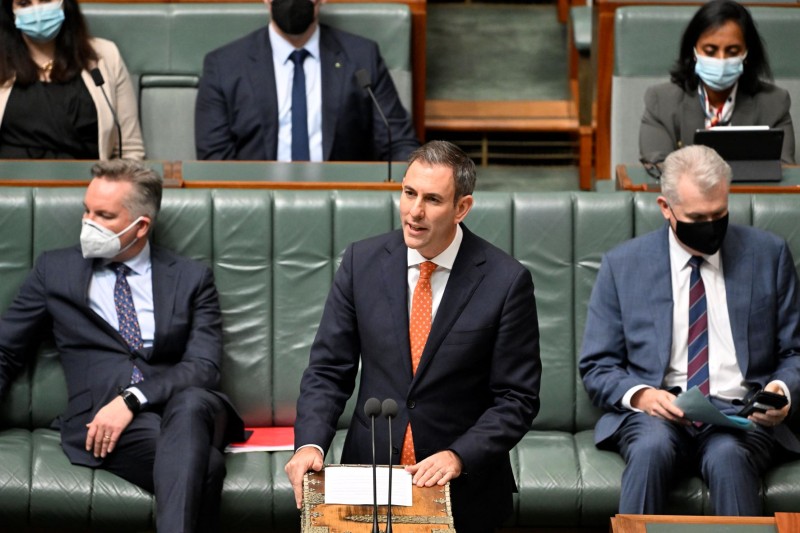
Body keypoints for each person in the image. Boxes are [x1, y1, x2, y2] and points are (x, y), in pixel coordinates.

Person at [284, 140, 541, 532]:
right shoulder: (361, 263)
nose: (414, 212)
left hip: (463, 489)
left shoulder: (506, 281)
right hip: (367, 479)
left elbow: (517, 398)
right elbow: (328, 370)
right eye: (408, 193)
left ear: (462, 208)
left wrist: (458, 455)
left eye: (433, 200)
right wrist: (309, 444)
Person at [0, 160, 243, 532]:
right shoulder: (55, 271)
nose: (87, 222)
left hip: (188, 405)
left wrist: (132, 398)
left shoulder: (192, 278)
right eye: (86, 209)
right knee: (205, 467)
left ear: (140, 226)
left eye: (103, 214)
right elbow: (6, 350)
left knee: (192, 401)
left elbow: (204, 366)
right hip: (105, 423)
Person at [580, 144, 800, 516]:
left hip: (740, 414)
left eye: (720, 214)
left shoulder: (769, 255)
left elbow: (794, 351)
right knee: (650, 449)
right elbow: (597, 365)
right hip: (658, 414)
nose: (711, 227)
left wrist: (780, 391)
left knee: (728, 455)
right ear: (666, 208)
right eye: (698, 217)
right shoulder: (624, 265)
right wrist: (643, 396)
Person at [194, 0, 419, 162]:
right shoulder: (224, 65)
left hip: (341, 199)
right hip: (254, 202)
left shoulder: (362, 57)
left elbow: (398, 143)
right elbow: (214, 157)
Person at [639, 0, 795, 165]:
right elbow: (656, 166)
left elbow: (784, 171)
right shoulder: (661, 101)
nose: (721, 60)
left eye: (732, 51)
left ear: (746, 54)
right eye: (710, 51)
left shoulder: (775, 103)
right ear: (694, 52)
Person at [0, 0, 144, 160]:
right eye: (24, 3)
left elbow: (131, 151)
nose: (37, 11)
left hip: (89, 182)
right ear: (10, 11)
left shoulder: (105, 57)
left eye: (46, 0)